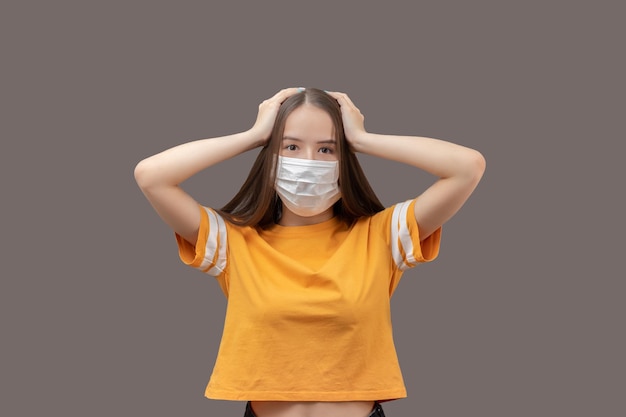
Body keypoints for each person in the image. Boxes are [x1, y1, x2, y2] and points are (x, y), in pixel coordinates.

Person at [134, 87, 486, 417]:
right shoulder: (233, 242)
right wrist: (253, 135)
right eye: (290, 147)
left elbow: (467, 167)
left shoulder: (381, 236)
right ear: (270, 157)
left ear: (344, 159)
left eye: (326, 149)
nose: (308, 161)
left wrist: (363, 139)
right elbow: (152, 176)